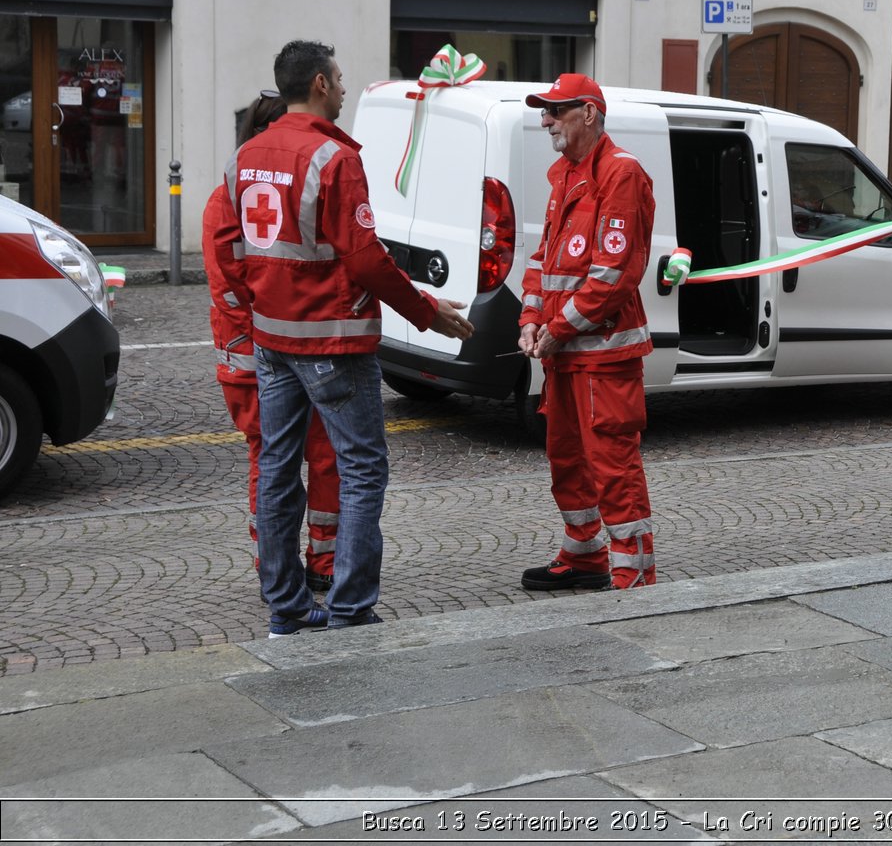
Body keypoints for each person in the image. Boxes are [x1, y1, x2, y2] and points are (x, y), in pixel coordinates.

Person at [219, 41, 474, 636]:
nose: (341, 88)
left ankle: (285, 606)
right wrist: (426, 311)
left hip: (271, 338)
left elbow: (232, 253)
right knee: (363, 470)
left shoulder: (246, 156)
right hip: (330, 339)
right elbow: (364, 259)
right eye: (338, 79)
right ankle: (352, 608)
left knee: (278, 469)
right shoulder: (334, 159)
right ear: (317, 84)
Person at [518, 74, 658, 592]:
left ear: (589, 114)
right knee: (568, 462)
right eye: (545, 111)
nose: (545, 120)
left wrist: (553, 329)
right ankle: (584, 556)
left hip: (603, 356)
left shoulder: (621, 174)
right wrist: (530, 321)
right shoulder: (565, 175)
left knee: (612, 465)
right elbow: (543, 261)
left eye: (556, 111)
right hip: (565, 355)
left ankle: (634, 572)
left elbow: (614, 273)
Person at [204, 93, 339, 593]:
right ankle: (296, 563)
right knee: (293, 458)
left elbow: (230, 278)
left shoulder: (229, 192)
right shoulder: (274, 185)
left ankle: (291, 563)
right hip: (277, 350)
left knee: (286, 459)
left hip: (263, 351)